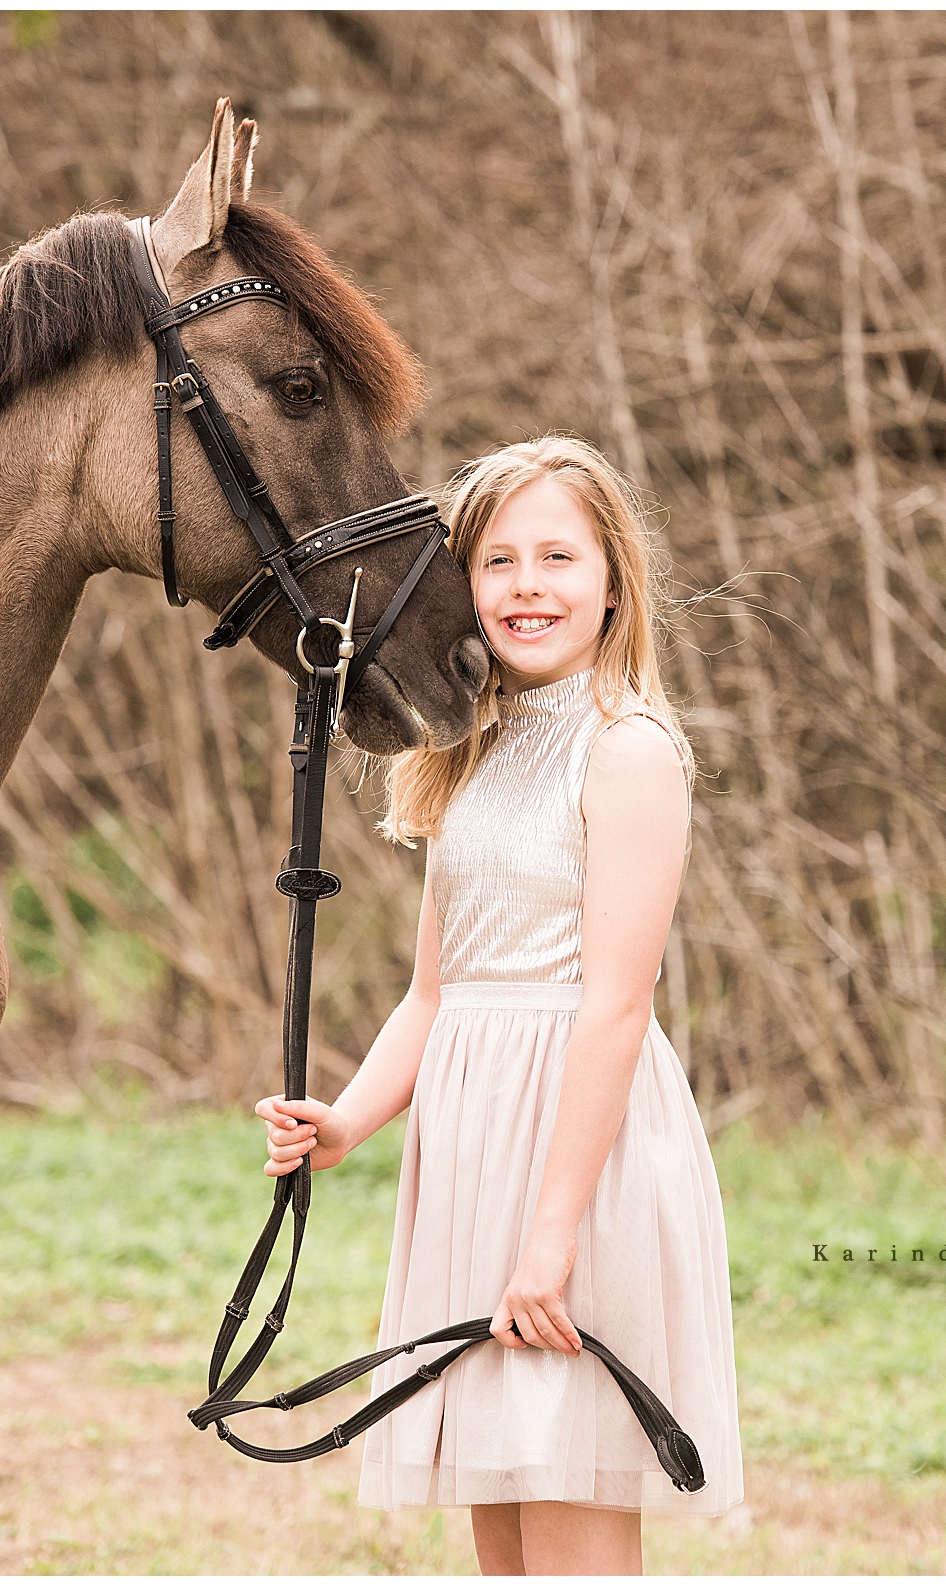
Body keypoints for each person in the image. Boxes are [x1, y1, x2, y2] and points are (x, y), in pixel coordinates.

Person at [253, 435, 745, 1574]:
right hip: (471, 1149)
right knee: (506, 1542)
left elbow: (614, 1005)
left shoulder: (627, 751)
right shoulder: (471, 747)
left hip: (574, 1156)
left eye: (557, 557)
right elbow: (439, 986)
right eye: (499, 561)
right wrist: (345, 1123)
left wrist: (551, 1231)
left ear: (611, 579)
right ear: (460, 588)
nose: (528, 585)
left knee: (570, 1526)